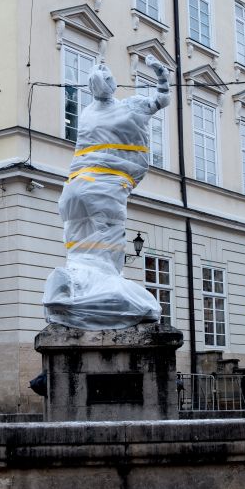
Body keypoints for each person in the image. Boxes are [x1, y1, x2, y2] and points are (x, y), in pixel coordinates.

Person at [44, 56, 170, 330]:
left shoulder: (87, 114)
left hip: (73, 189)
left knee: (79, 252)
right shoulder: (129, 108)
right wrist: (161, 75)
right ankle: (92, 300)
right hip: (105, 189)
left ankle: (71, 286)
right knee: (108, 257)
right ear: (113, 86)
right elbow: (161, 100)